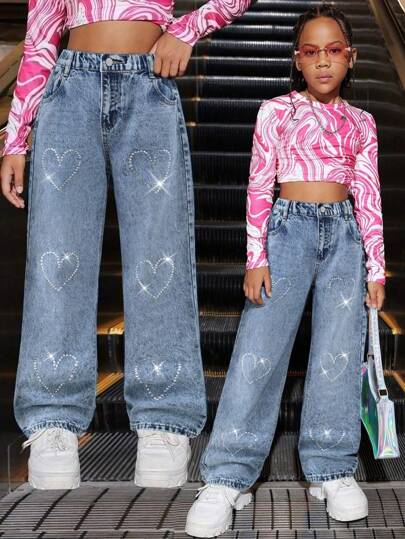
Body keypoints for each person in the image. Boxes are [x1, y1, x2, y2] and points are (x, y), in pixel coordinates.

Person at [0, 0, 252, 490]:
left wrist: (188, 29)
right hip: (69, 90)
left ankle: (163, 420)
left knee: (160, 256)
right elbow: (41, 34)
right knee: (57, 257)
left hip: (149, 86)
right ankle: (53, 421)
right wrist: (15, 138)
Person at [185, 3, 386, 537]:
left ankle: (332, 468)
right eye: (311, 51)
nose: (323, 61)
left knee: (338, 353)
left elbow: (368, 195)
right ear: (297, 60)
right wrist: (256, 256)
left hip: (345, 238)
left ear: (351, 57)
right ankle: (227, 476)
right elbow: (258, 183)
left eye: (333, 50)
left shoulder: (362, 122)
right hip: (288, 231)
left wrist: (377, 267)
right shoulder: (275, 111)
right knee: (261, 350)